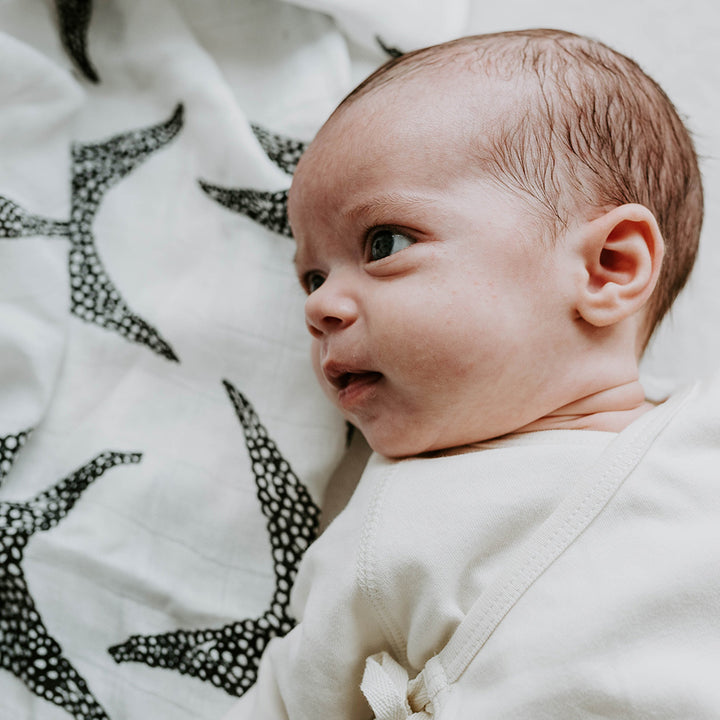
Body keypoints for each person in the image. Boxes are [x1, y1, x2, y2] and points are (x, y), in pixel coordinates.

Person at [224, 28, 720, 719]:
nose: (318, 306)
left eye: (383, 243)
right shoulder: (390, 525)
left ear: (609, 267)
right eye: (312, 275)